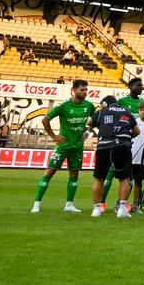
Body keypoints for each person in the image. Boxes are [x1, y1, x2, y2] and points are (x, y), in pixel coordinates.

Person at [32, 78, 96, 213]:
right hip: (63, 146)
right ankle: (37, 203)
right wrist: (53, 136)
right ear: (74, 90)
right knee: (49, 172)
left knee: (74, 175)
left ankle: (69, 205)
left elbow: (95, 120)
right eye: (82, 90)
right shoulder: (64, 105)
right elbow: (45, 119)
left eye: (86, 90)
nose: (85, 92)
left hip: (77, 147)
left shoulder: (89, 106)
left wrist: (89, 132)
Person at [88, 95, 139, 219]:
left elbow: (89, 122)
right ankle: (121, 209)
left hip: (103, 146)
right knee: (123, 178)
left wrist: (102, 126)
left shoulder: (102, 112)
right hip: (122, 145)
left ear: (105, 104)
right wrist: (126, 137)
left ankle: (96, 209)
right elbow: (137, 131)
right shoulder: (126, 111)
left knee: (99, 178)